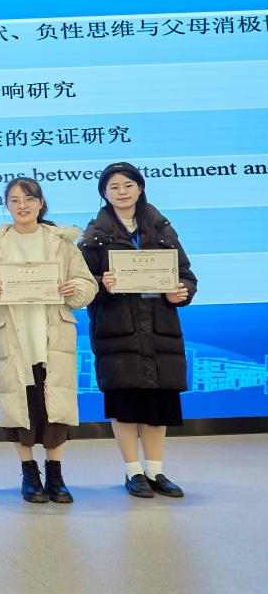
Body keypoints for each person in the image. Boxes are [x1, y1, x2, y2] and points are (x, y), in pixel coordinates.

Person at [0, 178, 97, 504]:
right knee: (19, 406)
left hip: (50, 333)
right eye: (14, 200)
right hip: (12, 335)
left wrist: (75, 289)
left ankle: (55, 473)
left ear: (40, 203)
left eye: (28, 199)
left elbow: (87, 283)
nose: (22, 205)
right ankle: (29, 473)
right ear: (7, 206)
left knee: (55, 405)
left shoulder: (61, 243)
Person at [79, 162, 196, 499]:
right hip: (118, 331)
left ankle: (155, 470)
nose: (122, 192)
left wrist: (181, 291)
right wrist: (102, 284)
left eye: (128, 185)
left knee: (159, 403)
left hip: (160, 327)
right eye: (114, 187)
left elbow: (186, 274)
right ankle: (133, 471)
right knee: (126, 403)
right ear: (104, 193)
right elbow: (81, 284)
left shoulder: (161, 229)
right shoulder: (94, 236)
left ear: (140, 188)